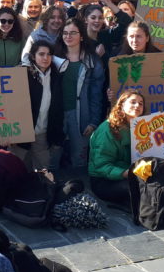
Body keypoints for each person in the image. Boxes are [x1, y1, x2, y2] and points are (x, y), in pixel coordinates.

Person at [55, 18, 105, 169]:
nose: (68, 36)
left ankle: (79, 190)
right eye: (65, 33)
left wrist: (94, 121)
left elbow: (97, 94)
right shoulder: (52, 58)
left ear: (81, 36)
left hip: (82, 115)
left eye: (73, 33)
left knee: (80, 159)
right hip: (56, 115)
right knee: (53, 158)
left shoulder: (92, 61)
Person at [88, 91, 141, 207]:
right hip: (104, 180)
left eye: (141, 104)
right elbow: (102, 166)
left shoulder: (140, 127)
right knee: (139, 189)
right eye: (133, 102)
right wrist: (124, 173)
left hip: (129, 173)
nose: (137, 106)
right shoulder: (107, 130)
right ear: (121, 105)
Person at [18, 40, 65, 171]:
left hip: (42, 134)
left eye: (49, 54)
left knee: (43, 171)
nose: (46, 58)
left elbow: (58, 108)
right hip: (21, 133)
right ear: (33, 56)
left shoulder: (56, 76)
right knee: (16, 169)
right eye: (41, 54)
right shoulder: (21, 74)